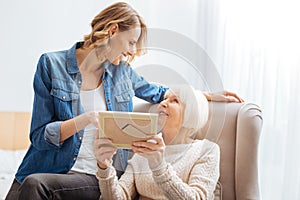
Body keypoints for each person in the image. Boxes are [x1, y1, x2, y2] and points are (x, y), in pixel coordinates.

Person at [6, 2, 241, 200]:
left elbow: (161, 93)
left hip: (95, 174)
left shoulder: (123, 74)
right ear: (112, 30)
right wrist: (85, 119)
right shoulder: (50, 65)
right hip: (49, 167)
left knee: (35, 185)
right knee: (24, 186)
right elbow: (39, 136)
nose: (132, 52)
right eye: (131, 42)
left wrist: (205, 96)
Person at [94, 85, 220, 199]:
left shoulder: (206, 150)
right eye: (165, 98)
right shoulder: (145, 146)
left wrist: (159, 167)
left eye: (175, 100)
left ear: (192, 113)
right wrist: (104, 167)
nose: (163, 103)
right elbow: (119, 197)